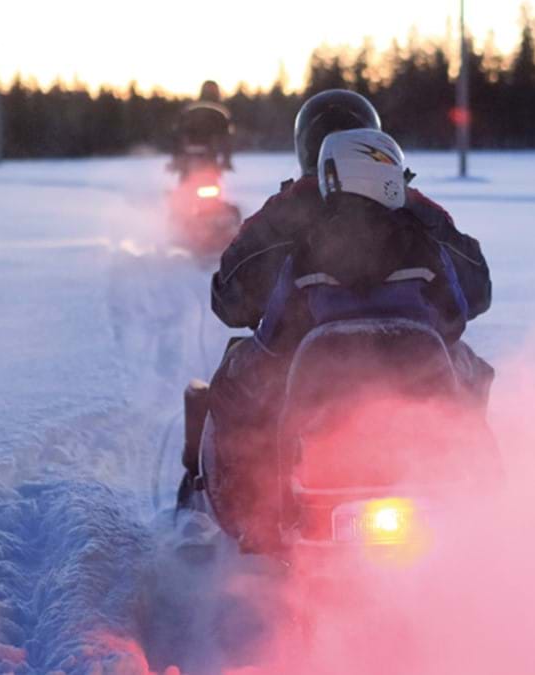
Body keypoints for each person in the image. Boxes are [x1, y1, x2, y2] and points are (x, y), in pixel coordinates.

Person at [180, 90, 493, 549]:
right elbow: (476, 291)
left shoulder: (286, 211)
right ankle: (484, 499)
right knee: (470, 377)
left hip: (305, 369)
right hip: (411, 364)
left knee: (231, 386)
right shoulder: (414, 208)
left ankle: (244, 513)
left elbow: (230, 300)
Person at [170, 80, 233, 176]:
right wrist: (227, 160)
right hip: (209, 158)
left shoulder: (189, 110)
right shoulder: (221, 113)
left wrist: (176, 159)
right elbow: (226, 138)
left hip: (190, 158)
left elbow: (177, 134)